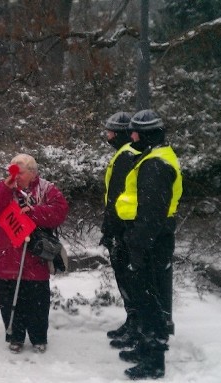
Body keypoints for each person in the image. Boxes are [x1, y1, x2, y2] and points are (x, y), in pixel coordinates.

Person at [115, 109, 182, 379]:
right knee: (146, 299)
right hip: (152, 241)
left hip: (152, 244)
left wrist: (136, 243)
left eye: (135, 132)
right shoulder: (154, 157)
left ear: (148, 134)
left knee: (152, 301)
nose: (131, 136)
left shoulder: (155, 164)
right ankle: (145, 348)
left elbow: (152, 214)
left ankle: (154, 361)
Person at [0, 154, 68, 354]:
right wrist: (5, 187)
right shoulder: (4, 187)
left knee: (37, 300)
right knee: (10, 299)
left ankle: (38, 337)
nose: (15, 176)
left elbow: (60, 211)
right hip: (6, 256)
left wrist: (34, 212)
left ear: (32, 173)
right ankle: (15, 335)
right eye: (12, 171)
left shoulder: (46, 189)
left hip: (34, 258)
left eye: (19, 172)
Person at [99, 112, 142, 348]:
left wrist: (111, 229)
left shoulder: (126, 156)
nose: (107, 135)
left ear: (119, 133)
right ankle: (132, 321)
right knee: (127, 278)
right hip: (125, 228)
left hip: (123, 229)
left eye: (109, 131)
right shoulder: (126, 154)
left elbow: (117, 198)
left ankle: (136, 324)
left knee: (128, 278)